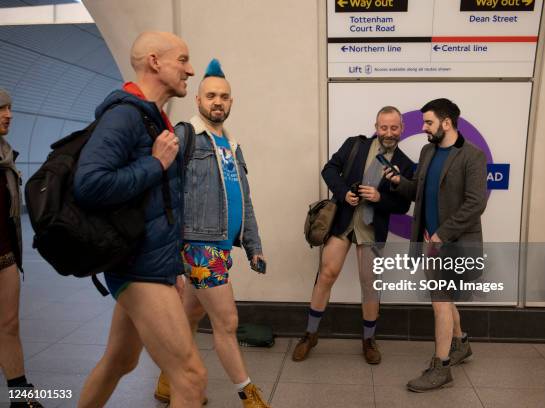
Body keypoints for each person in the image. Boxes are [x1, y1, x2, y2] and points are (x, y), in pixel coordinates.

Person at [72, 32, 208, 408]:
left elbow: (159, 204)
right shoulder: (124, 115)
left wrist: (173, 267)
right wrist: (155, 163)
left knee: (120, 361)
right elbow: (89, 184)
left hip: (149, 262)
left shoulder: (151, 117)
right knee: (191, 376)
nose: (190, 70)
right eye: (182, 60)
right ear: (154, 62)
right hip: (137, 267)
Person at [153, 59, 270, 408]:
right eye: (210, 96)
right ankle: (249, 396)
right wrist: (171, 251)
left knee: (191, 315)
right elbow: (165, 192)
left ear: (231, 102)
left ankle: (166, 381)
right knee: (228, 322)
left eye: (224, 96)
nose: (217, 101)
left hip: (222, 245)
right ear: (199, 101)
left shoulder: (233, 146)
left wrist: (253, 245)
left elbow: (243, 200)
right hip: (199, 246)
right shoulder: (185, 136)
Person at [292, 106, 414, 365]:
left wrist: (381, 198)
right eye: (384, 127)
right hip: (344, 222)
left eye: (394, 128)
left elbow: (403, 206)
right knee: (326, 274)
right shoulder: (355, 145)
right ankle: (310, 334)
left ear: (402, 129)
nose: (389, 133)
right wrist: (344, 191)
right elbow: (329, 170)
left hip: (372, 228)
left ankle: (368, 340)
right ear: (376, 126)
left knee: (370, 284)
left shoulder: (405, 164)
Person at [385, 98, 488, 392]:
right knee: (442, 298)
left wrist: (443, 233)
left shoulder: (473, 156)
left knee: (440, 303)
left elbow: (475, 204)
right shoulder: (427, 150)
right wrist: (397, 180)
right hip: (430, 243)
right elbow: (417, 190)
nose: (424, 128)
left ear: (446, 122)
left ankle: (440, 367)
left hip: (452, 244)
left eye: (429, 122)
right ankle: (462, 344)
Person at [0, 89, 44, 408]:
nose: (9, 114)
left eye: (10, 107)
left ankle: (20, 395)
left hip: (5, 254)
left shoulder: (6, 156)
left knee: (10, 324)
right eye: (1, 108)